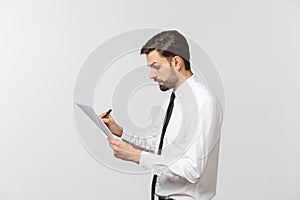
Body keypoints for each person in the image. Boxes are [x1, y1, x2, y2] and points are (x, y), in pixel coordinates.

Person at [99, 30, 223, 200]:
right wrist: (120, 132)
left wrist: (136, 156)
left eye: (156, 67)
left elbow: (192, 169)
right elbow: (158, 143)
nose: (151, 75)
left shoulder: (202, 102)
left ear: (176, 63)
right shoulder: (172, 99)